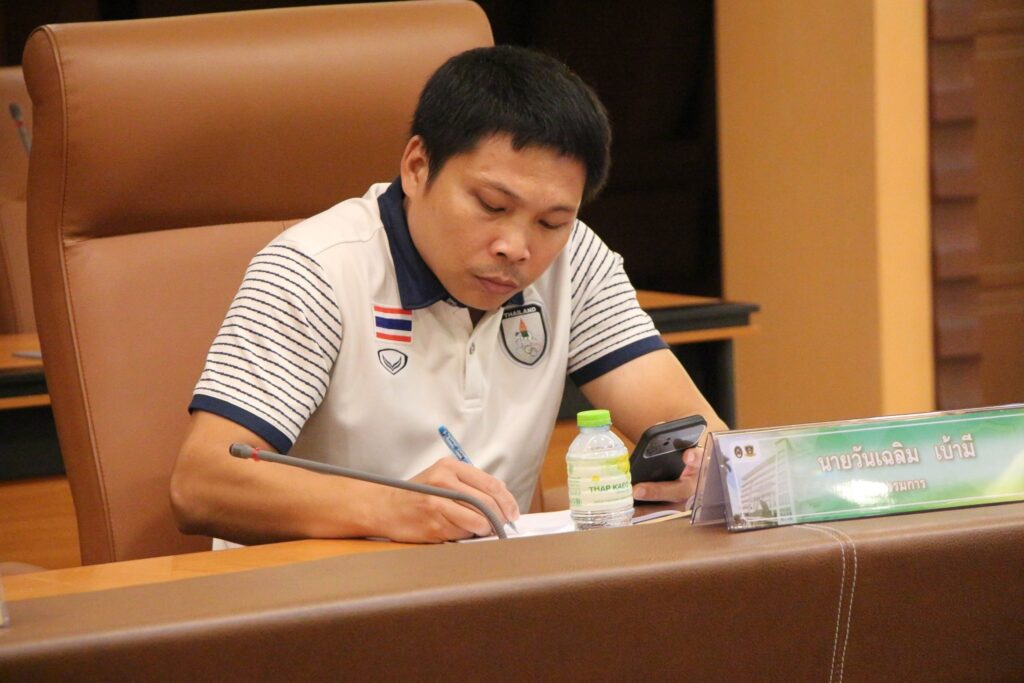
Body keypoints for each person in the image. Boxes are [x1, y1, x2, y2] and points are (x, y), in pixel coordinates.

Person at [170, 45, 726, 545]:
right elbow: (202, 484)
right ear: (417, 167)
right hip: (317, 596)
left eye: (552, 222)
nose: (517, 248)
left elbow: (697, 436)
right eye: (491, 205)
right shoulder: (317, 268)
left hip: (489, 590)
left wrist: (699, 472)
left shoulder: (575, 260)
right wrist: (388, 507)